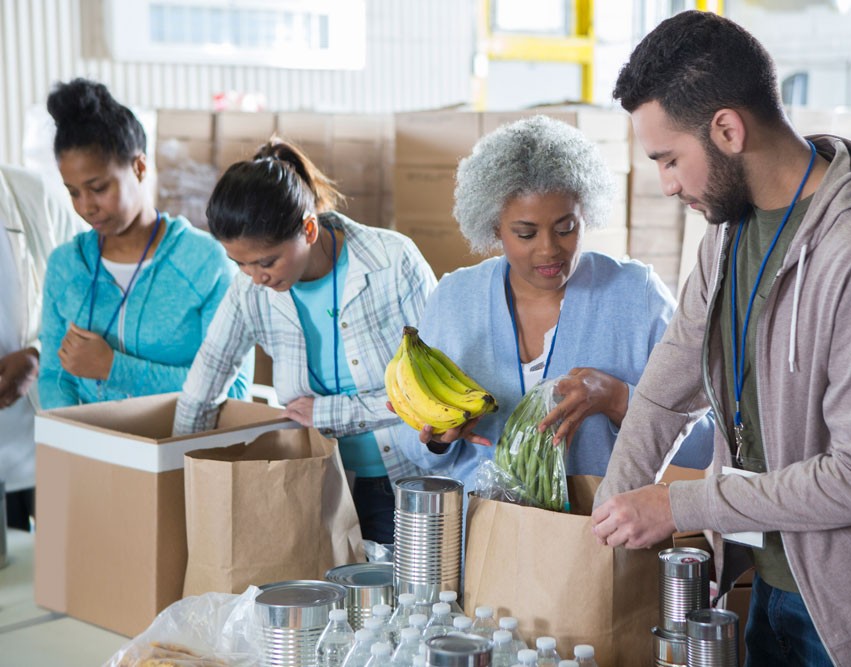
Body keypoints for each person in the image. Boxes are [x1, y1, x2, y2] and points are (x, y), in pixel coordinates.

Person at [591, 11, 851, 667]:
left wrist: (679, 502)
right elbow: (670, 379)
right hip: (769, 581)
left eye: (669, 158)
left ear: (727, 129)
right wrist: (611, 515)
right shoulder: (731, 224)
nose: (666, 183)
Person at [396, 115, 714, 505]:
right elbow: (411, 450)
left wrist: (618, 400)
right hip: (479, 541)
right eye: (525, 233)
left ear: (587, 216)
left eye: (566, 228)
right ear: (495, 227)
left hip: (595, 541)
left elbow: (705, 443)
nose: (549, 249)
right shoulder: (454, 298)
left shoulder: (637, 296)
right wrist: (439, 442)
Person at [173, 138, 436, 545]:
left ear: (309, 229)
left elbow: (431, 391)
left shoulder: (393, 262)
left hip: (400, 481)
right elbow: (203, 385)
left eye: (266, 261)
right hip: (313, 484)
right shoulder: (250, 291)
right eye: (239, 263)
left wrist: (328, 413)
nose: (255, 276)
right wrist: (173, 471)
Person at [38, 78, 250, 408]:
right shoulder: (66, 265)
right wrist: (72, 441)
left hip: (178, 456)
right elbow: (53, 377)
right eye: (73, 192)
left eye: (98, 188)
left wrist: (113, 368)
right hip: (85, 454)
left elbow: (235, 392)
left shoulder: (204, 262)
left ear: (138, 167)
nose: (85, 206)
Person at [0, 164, 84, 530]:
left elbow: (88, 300)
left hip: (37, 448)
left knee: (57, 575)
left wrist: (37, 354)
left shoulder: (30, 195)